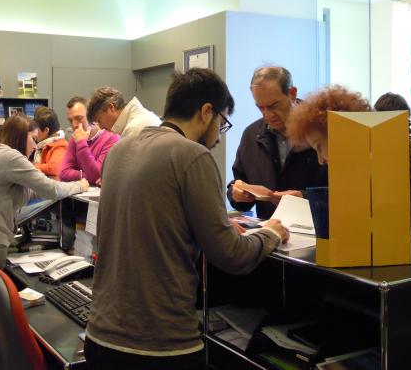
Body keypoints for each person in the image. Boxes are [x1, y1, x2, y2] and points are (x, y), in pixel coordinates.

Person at [85, 68, 289, 370]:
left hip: (101, 338)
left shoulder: (118, 151)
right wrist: (270, 233)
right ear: (206, 112)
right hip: (160, 347)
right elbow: (232, 255)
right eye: (221, 122)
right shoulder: (193, 156)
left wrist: (210, 227)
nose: (219, 138)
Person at [0, 115, 88, 369]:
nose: (35, 146)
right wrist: (79, 185)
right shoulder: (10, 157)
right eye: (33, 140)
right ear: (21, 136)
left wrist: (55, 186)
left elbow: (29, 191)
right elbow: (51, 190)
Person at [287, 85, 411, 258]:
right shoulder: (389, 145)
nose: (321, 160)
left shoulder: (393, 154)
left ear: (339, 131)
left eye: (320, 146)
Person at [228, 66, 327, 219]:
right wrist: (235, 193)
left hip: (318, 231)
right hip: (271, 233)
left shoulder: (321, 127)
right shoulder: (251, 135)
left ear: (292, 93)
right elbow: (241, 181)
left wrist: (304, 197)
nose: (268, 115)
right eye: (261, 108)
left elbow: (348, 192)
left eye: (274, 106)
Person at [59, 96, 119, 250]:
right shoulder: (74, 138)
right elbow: (63, 173)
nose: (74, 125)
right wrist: (86, 177)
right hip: (78, 210)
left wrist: (81, 143)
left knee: (94, 252)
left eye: (79, 118)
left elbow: (96, 174)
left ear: (92, 117)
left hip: (101, 213)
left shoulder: (111, 139)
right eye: (70, 120)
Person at [87, 86, 161, 138]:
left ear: (111, 107)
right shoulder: (140, 117)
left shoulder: (133, 129)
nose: (101, 127)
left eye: (99, 120)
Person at [33, 107, 67, 180]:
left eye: (36, 129)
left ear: (46, 130)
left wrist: (29, 167)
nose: (35, 133)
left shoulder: (61, 145)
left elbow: (54, 168)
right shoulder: (41, 145)